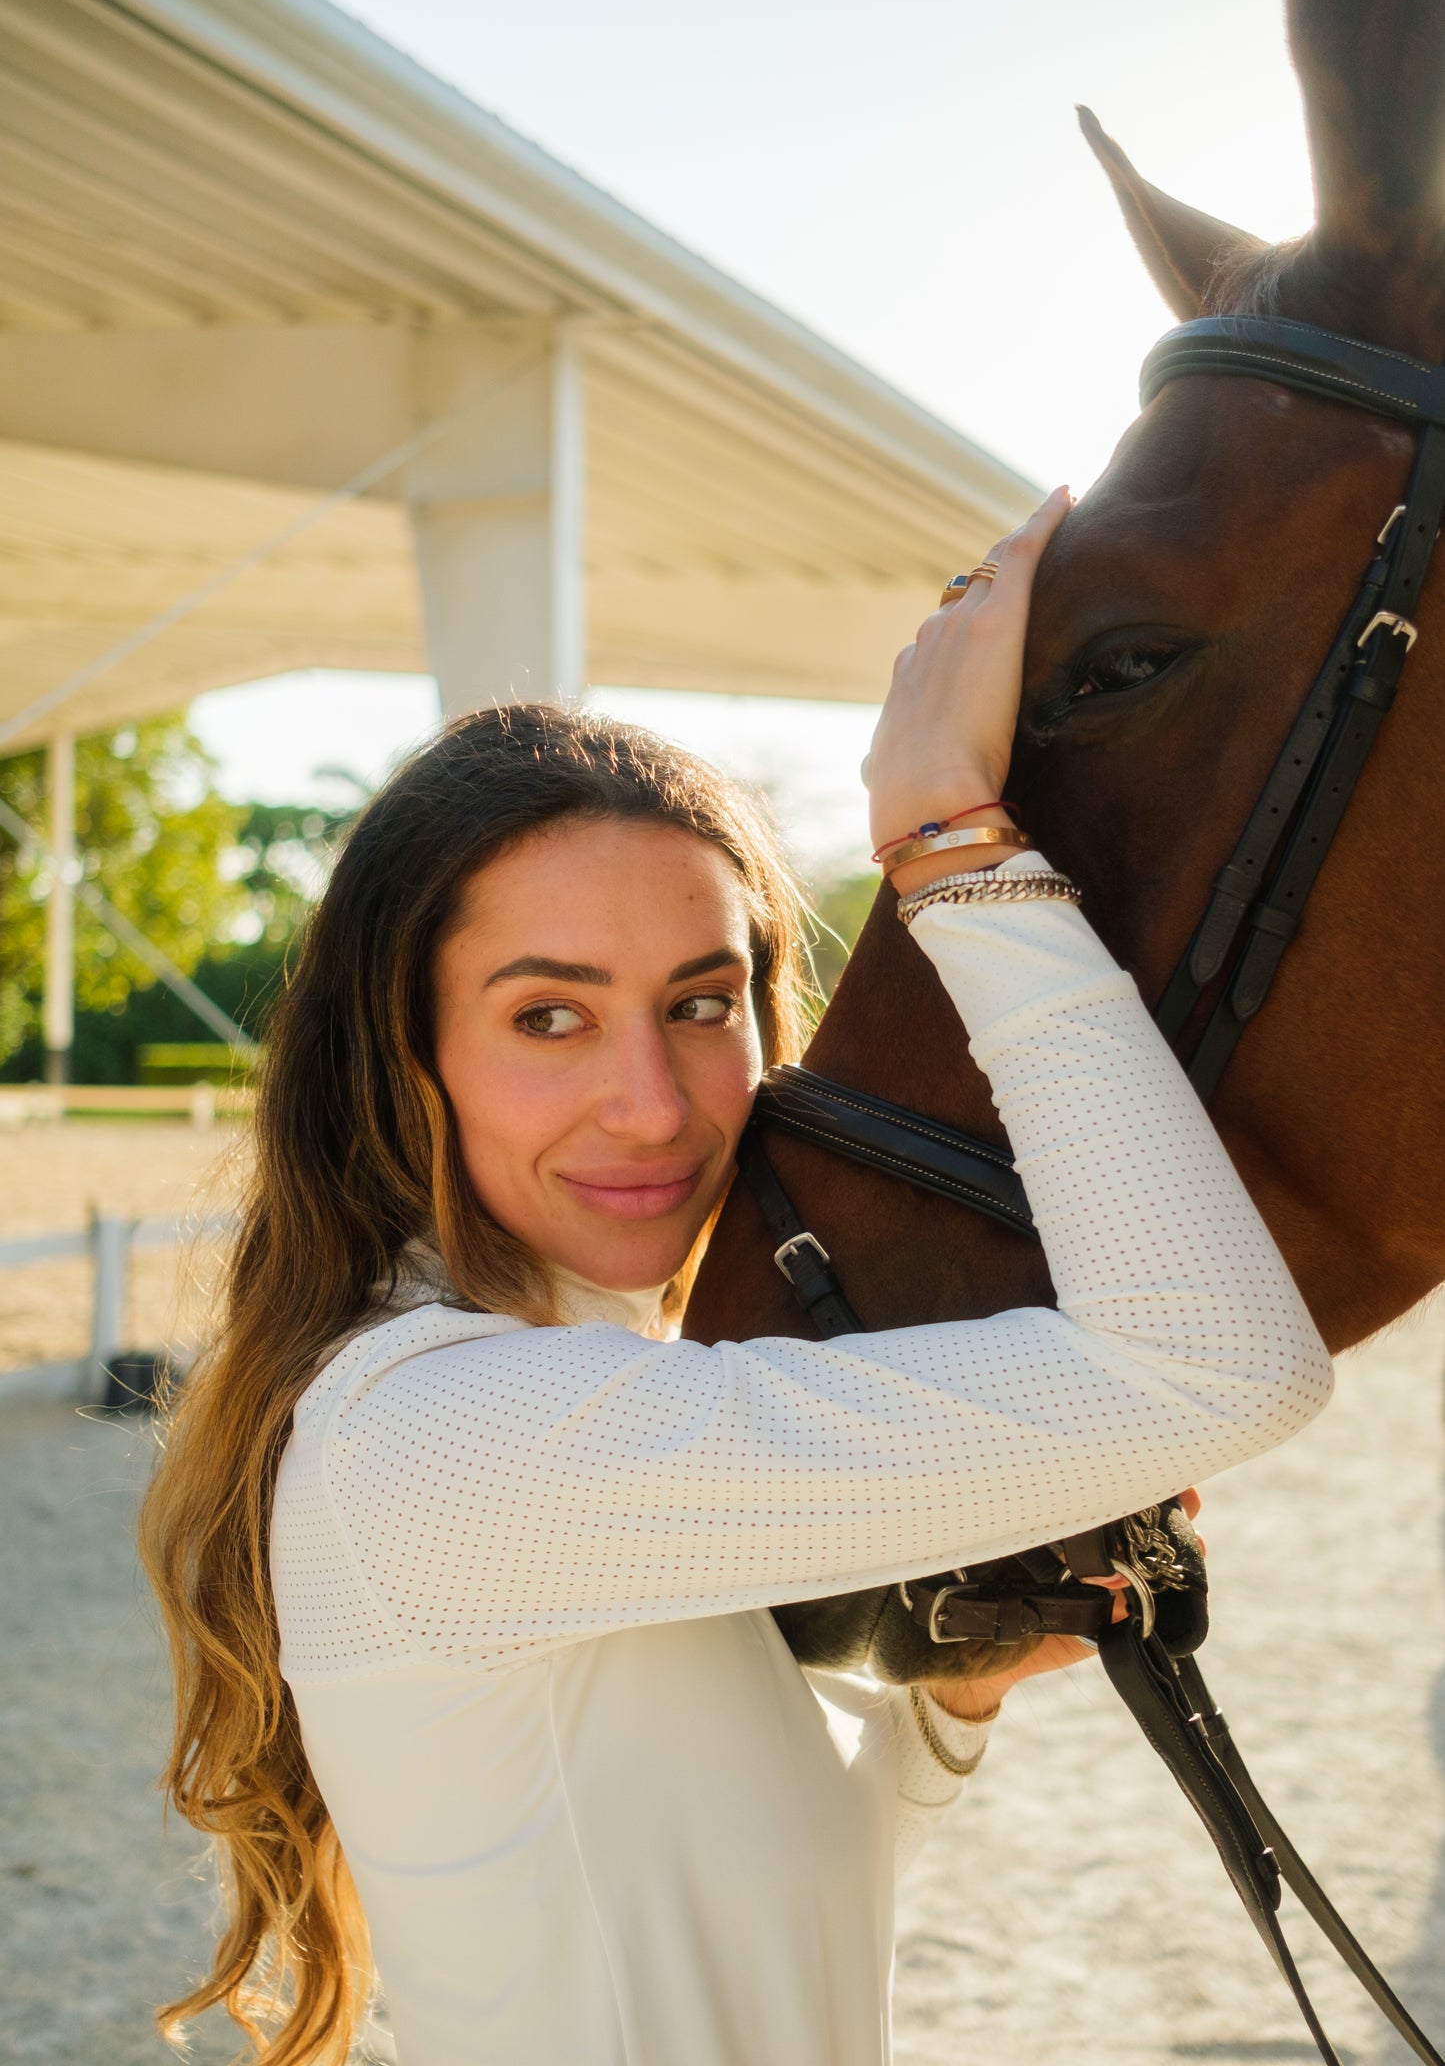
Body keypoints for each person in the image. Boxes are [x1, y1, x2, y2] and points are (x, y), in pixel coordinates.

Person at [140, 485, 1331, 2066]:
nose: (651, 1101)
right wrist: (952, 847)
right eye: (548, 1016)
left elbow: (757, 1886)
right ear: (402, 1050)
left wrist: (947, 1703)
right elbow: (1224, 1363)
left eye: (701, 1003)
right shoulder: (445, 1436)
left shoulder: (598, 1386)